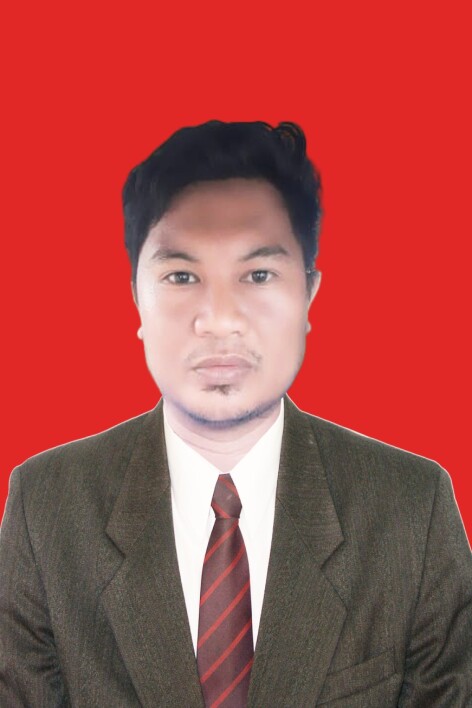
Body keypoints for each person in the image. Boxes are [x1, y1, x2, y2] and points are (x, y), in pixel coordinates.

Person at [0, 121, 471, 707]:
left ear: (309, 294)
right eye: (181, 276)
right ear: (136, 297)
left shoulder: (411, 509)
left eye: (257, 275)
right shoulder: (46, 507)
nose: (219, 319)